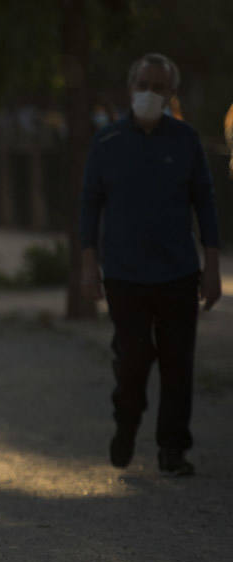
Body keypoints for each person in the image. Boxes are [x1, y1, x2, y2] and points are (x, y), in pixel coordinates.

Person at [80, 53, 222, 476]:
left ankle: (172, 449)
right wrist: (89, 265)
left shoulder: (185, 140)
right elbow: (90, 204)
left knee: (178, 366)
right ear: (131, 88)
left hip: (177, 273)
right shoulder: (107, 142)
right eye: (144, 84)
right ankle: (126, 424)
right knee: (133, 360)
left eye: (160, 87)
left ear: (171, 94)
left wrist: (212, 265)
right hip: (125, 276)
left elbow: (206, 204)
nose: (150, 93)